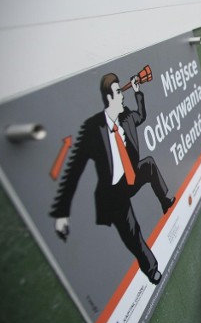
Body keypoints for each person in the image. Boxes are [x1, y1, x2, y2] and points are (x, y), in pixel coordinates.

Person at [50, 73, 175, 285]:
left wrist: (137, 91)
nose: (122, 97)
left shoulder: (126, 117)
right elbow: (74, 170)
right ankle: (152, 269)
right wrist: (62, 212)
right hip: (113, 191)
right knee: (133, 232)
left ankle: (165, 201)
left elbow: (141, 116)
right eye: (119, 93)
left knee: (149, 164)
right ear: (108, 98)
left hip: (130, 177)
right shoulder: (93, 128)